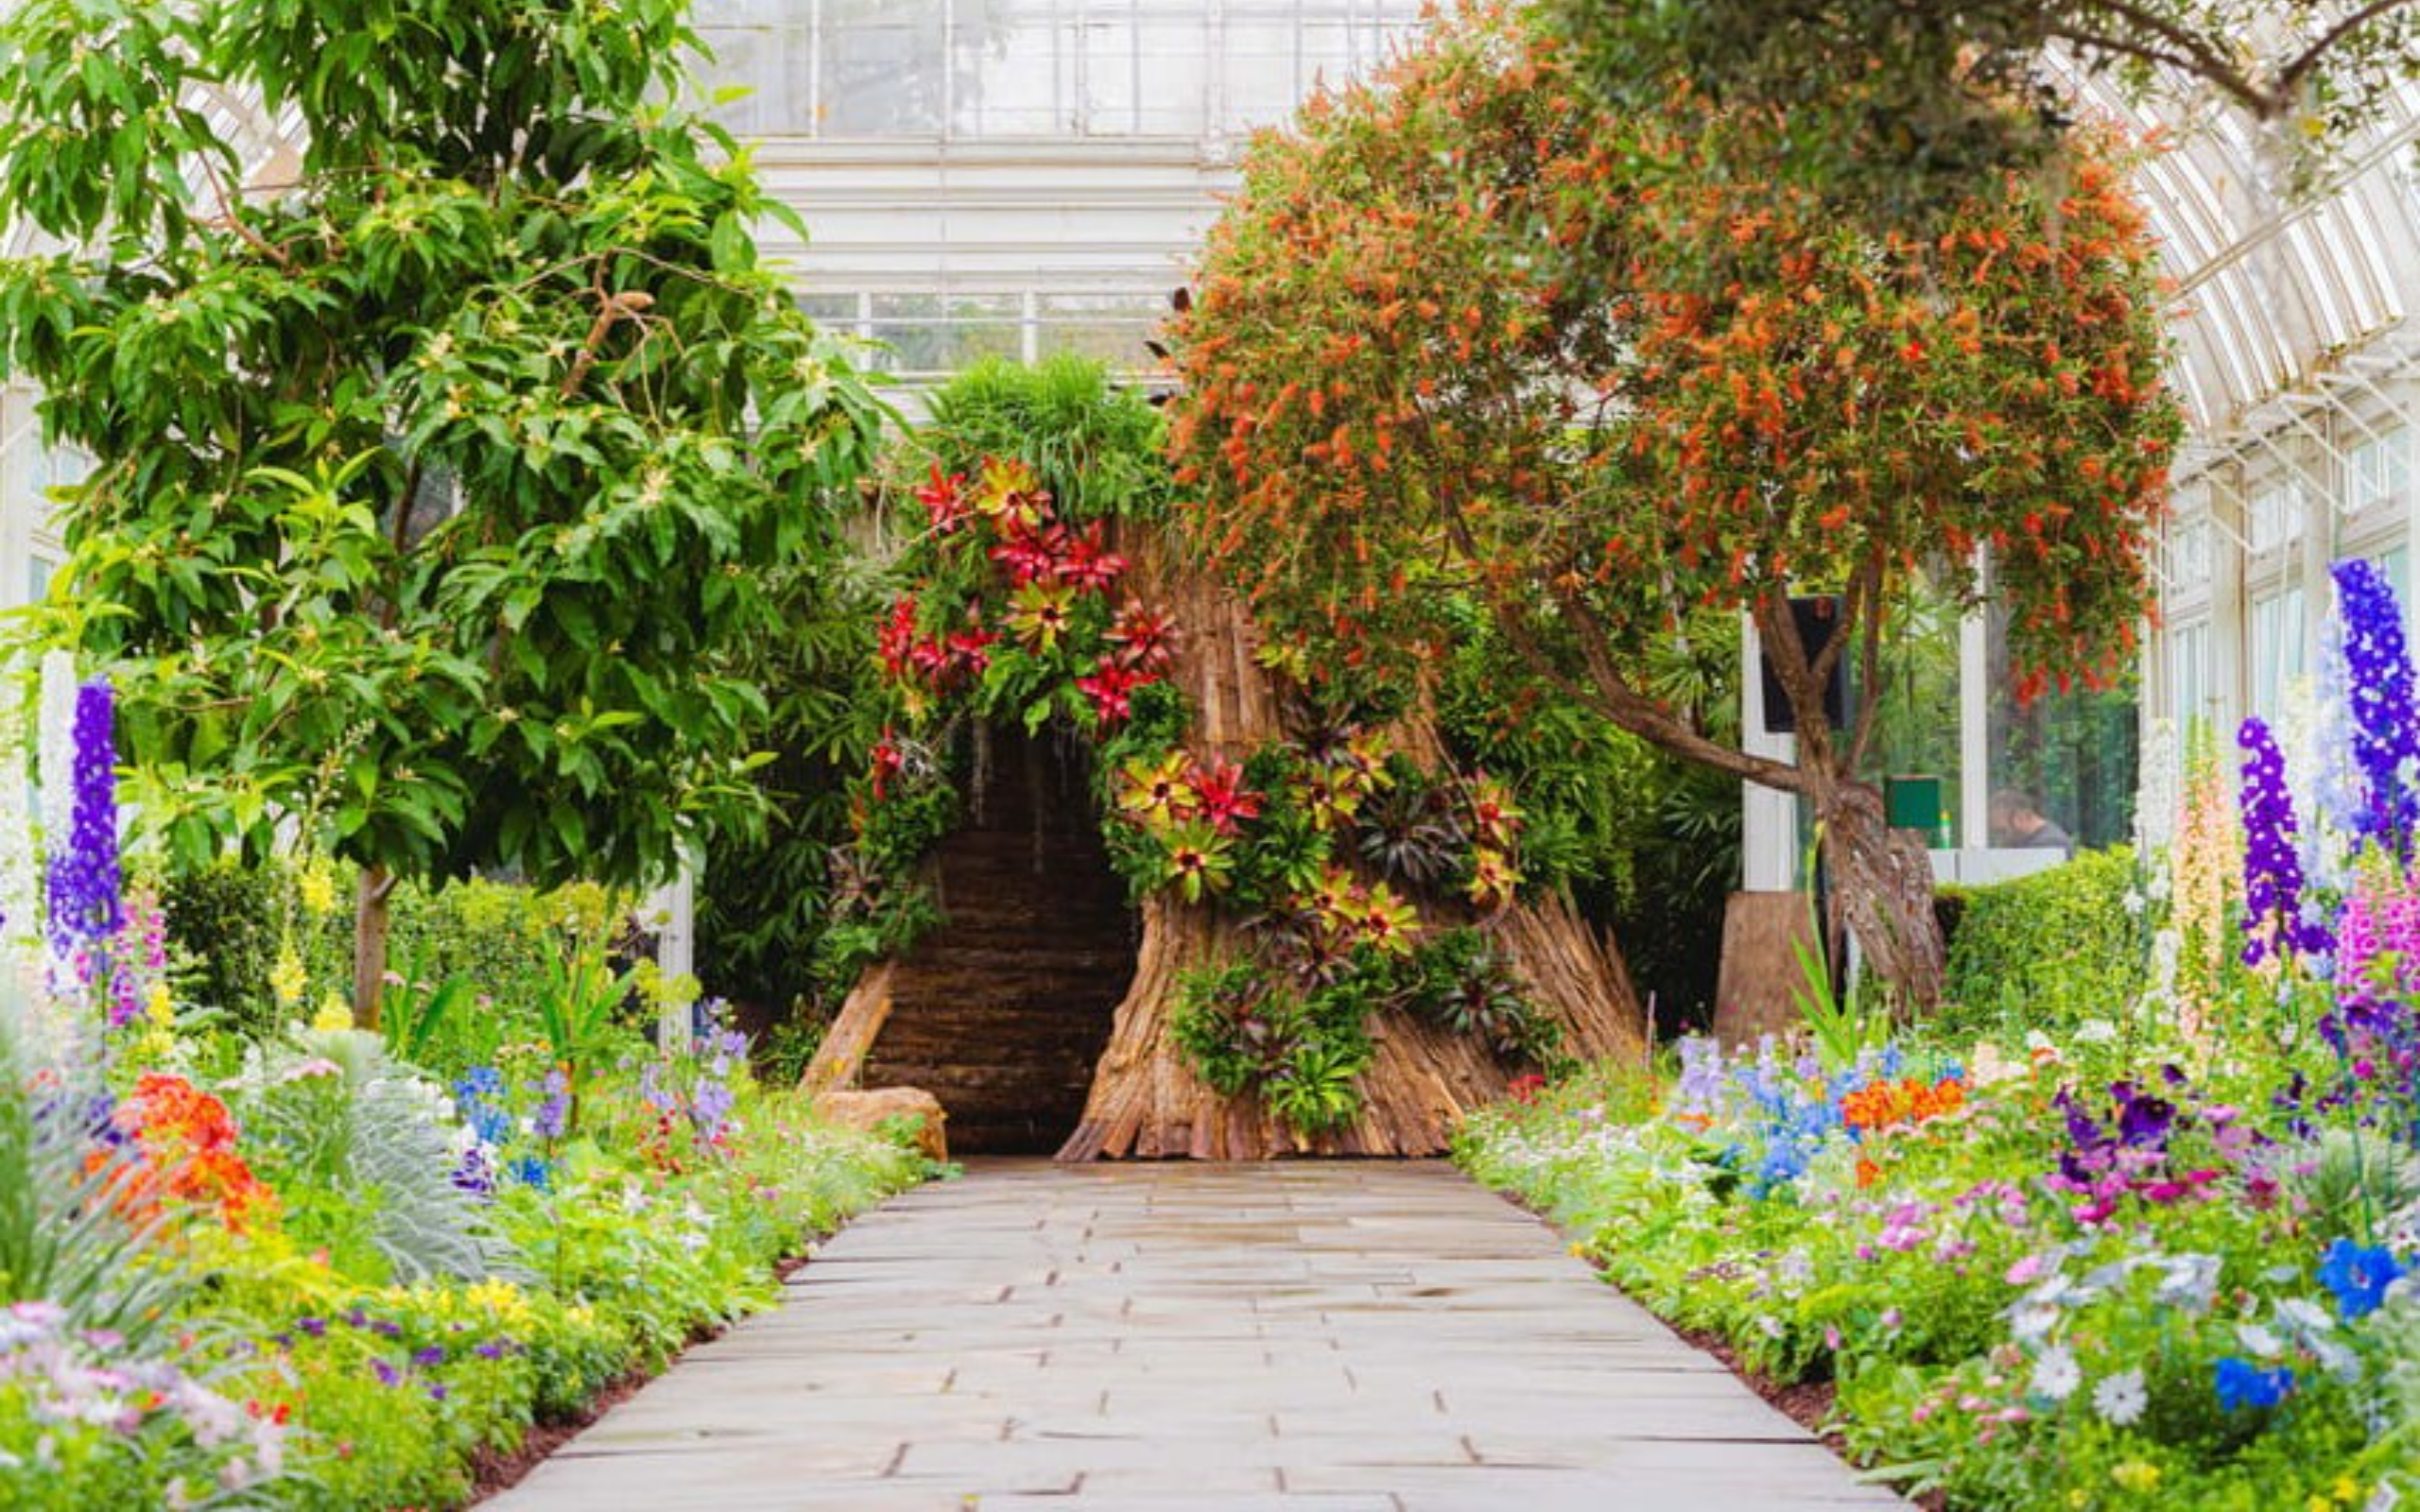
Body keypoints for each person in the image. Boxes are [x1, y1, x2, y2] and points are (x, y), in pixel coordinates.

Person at [1989, 789, 2073, 856]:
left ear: (2020, 817)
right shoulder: (2027, 841)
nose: (1999, 839)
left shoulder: (2050, 843)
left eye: (2002, 831)